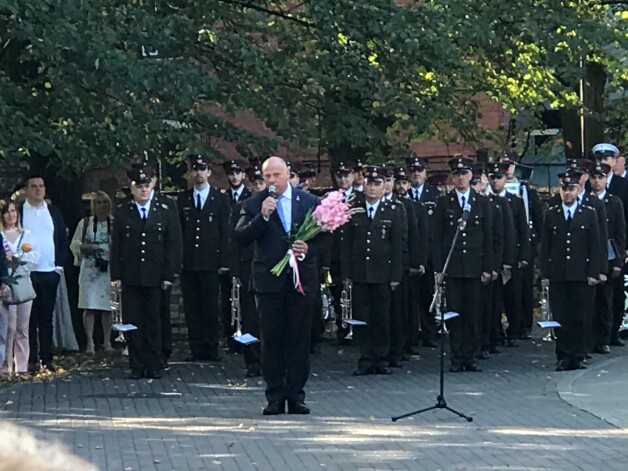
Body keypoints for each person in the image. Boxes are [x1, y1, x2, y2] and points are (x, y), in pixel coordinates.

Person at [234, 156, 322, 415]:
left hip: (300, 281)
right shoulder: (254, 203)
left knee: (299, 339)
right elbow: (240, 236)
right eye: (267, 177)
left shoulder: (309, 201)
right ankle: (274, 396)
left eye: (276, 175)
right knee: (271, 341)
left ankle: (296, 395)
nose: (271, 181)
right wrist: (262, 217)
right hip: (268, 282)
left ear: (287, 174)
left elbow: (327, 237)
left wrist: (309, 248)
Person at [110, 166, 182, 379]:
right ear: (131, 188)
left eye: (146, 186)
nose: (143, 190)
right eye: (138, 186)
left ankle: (154, 362)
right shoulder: (124, 212)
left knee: (154, 320)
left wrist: (169, 274)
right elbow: (117, 247)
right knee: (133, 321)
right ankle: (137, 363)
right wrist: (116, 275)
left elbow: (173, 244)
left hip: (156, 275)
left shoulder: (165, 209)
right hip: (132, 275)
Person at [432, 157, 493, 373]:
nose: (460, 178)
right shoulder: (444, 202)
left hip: (475, 267)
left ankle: (471, 355)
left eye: (464, 174)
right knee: (455, 314)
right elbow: (437, 237)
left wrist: (488, 267)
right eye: (456, 174)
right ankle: (457, 356)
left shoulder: (482, 202)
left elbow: (489, 238)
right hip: (454, 267)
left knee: (474, 314)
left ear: (470, 176)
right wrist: (439, 268)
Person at [342, 166, 403, 376]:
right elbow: (347, 245)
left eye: (377, 184)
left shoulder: (393, 210)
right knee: (362, 317)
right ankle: (365, 358)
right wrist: (347, 273)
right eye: (369, 183)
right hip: (360, 273)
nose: (373, 188)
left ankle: (381, 358)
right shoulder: (354, 209)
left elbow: (397, 246)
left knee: (382, 318)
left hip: (382, 274)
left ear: (384, 186)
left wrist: (395, 275)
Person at [541, 175, 601, 371]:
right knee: (561, 316)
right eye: (565, 189)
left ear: (578, 190)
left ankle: (578, 354)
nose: (568, 193)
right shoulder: (552, 214)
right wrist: (545, 274)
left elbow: (595, 245)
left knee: (581, 316)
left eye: (572, 189)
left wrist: (594, 272)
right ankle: (563, 355)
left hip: (581, 274)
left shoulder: (588, 213)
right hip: (559, 274)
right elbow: (546, 247)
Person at [179, 155, 229, 362]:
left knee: (210, 306)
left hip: (211, 262)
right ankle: (196, 347)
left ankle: (211, 347)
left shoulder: (220, 199)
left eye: (202, 169)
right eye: (195, 169)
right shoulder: (183, 199)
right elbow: (179, 233)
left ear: (209, 172)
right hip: (189, 263)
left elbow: (224, 231)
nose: (198, 173)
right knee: (192, 307)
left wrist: (224, 261)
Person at [19, 176, 69, 372]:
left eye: (41, 186)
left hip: (50, 271)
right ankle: (30, 359)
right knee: (29, 319)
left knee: (47, 317)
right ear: (26, 190)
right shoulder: (20, 211)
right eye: (34, 187)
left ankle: (47, 358)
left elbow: (62, 240)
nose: (38, 190)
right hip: (27, 272)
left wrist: (59, 266)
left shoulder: (53, 212)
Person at [70, 191, 113, 354]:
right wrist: (84, 247)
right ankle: (90, 343)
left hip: (107, 268)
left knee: (108, 307)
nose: (102, 206)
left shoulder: (113, 223)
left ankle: (107, 341)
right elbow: (75, 242)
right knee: (89, 306)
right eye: (99, 203)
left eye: (104, 202)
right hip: (89, 268)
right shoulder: (85, 223)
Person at [589, 162, 625, 354]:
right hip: (590, 256)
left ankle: (606, 336)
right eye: (594, 177)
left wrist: (619, 261)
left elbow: (620, 233)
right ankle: (591, 337)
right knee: (591, 301)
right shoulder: (585, 201)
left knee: (607, 300)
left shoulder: (614, 202)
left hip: (610, 255)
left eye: (600, 177)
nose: (597, 181)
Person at [0, 201, 33, 377]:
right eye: (6, 212)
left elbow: (34, 257)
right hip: (5, 285)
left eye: (13, 211)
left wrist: (18, 260)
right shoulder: (0, 236)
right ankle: (5, 367)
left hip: (23, 283)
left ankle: (22, 366)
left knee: (22, 327)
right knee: (8, 326)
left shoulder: (26, 234)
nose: (10, 215)